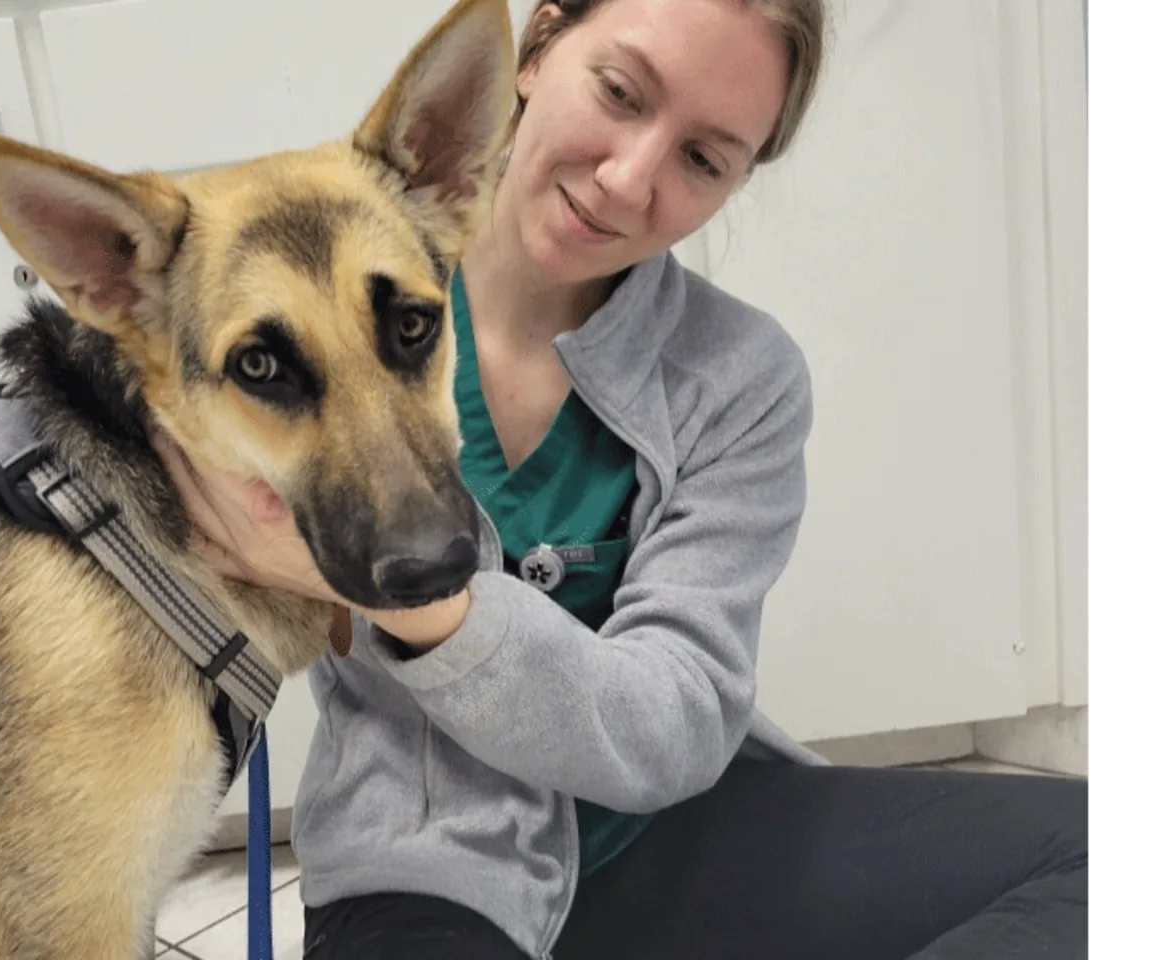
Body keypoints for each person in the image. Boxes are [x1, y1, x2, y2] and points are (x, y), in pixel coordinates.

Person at [158, 0, 1091, 957]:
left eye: (702, 158)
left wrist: (409, 592)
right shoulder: (307, 313)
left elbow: (675, 723)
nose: (627, 179)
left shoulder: (741, 378)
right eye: (619, 91)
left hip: (675, 833)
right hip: (423, 870)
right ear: (539, 44)